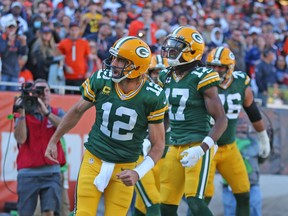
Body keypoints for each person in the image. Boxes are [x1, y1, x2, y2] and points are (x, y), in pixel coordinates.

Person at [45, 36, 167, 216]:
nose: (114, 63)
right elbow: (77, 110)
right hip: (94, 159)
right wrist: (54, 139)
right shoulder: (102, 79)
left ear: (136, 67)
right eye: (114, 57)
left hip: (125, 167)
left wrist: (138, 173)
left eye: (121, 60)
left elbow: (158, 145)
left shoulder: (152, 96)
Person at [158, 26, 228, 216]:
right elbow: (164, 115)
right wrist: (152, 138)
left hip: (198, 143)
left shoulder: (203, 76)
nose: (170, 50)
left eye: (176, 46)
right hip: (175, 143)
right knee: (165, 204)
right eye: (170, 45)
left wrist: (203, 148)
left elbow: (221, 119)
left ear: (191, 51)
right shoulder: (166, 75)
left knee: (195, 202)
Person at [205, 46, 271, 216]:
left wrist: (263, 139)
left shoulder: (241, 82)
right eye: (212, 66)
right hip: (206, 148)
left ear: (230, 68)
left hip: (229, 147)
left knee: (243, 192)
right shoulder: (201, 82)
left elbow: (253, 112)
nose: (216, 70)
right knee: (201, 198)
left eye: (220, 67)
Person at [13, 79, 66, 216]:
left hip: (51, 171)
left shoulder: (56, 112)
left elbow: (65, 127)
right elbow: (21, 139)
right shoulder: (23, 114)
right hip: (28, 171)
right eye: (39, 91)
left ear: (50, 93)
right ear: (32, 94)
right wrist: (22, 114)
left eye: (46, 90)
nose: (43, 94)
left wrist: (46, 113)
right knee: (25, 213)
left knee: (49, 212)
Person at [133, 55, 169, 216]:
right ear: (148, 73)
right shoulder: (141, 93)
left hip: (159, 156)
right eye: (155, 72)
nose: (159, 76)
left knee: (143, 205)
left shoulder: (173, 93)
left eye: (163, 72)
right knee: (153, 201)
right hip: (138, 153)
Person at [222, 111, 264, 216]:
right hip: (229, 186)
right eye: (239, 123)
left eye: (244, 123)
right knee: (231, 212)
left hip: (252, 184)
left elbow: (262, 158)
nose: (242, 125)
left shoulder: (254, 142)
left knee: (254, 211)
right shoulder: (227, 143)